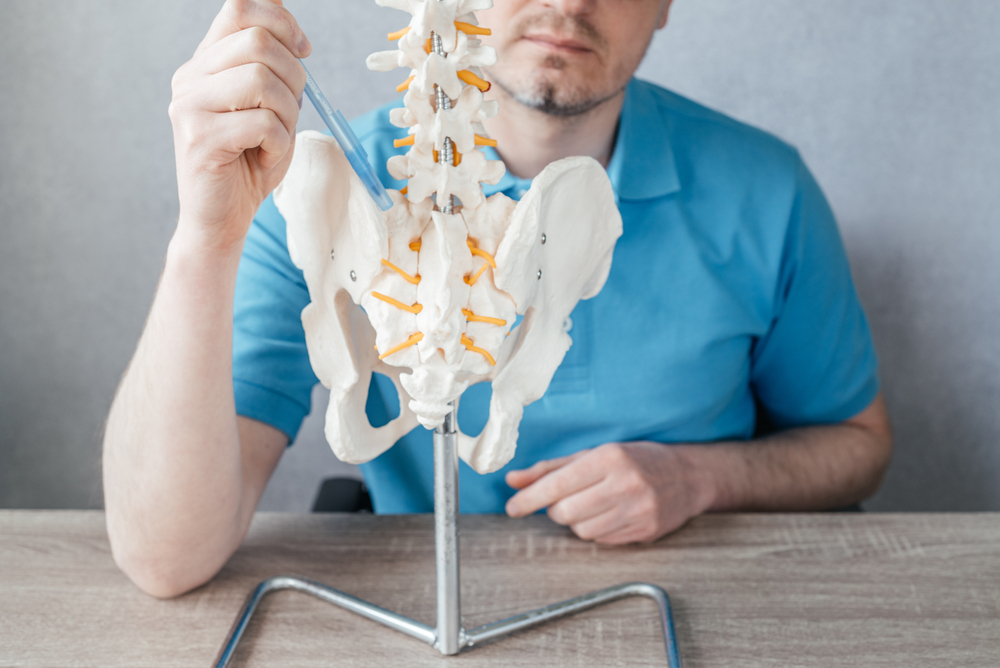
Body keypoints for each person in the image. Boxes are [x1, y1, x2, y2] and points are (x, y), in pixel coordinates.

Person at [103, 0, 893, 599]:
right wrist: (202, 240)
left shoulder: (766, 190)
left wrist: (700, 479)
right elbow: (164, 560)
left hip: (693, 592)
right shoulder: (321, 195)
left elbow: (859, 447)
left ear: (664, 5)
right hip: (413, 592)